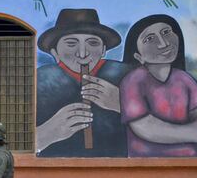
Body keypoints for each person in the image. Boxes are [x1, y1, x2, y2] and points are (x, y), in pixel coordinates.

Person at [120, 14, 197, 157]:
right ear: (138, 57)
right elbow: (144, 126)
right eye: (149, 39)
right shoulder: (133, 81)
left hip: (192, 161)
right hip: (146, 164)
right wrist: (193, 133)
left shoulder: (184, 79)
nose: (163, 43)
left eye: (166, 32)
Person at [36, 8, 132, 157]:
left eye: (93, 43)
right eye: (71, 43)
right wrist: (45, 134)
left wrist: (123, 105)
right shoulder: (38, 81)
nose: (82, 53)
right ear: (55, 53)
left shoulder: (127, 76)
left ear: (103, 50)